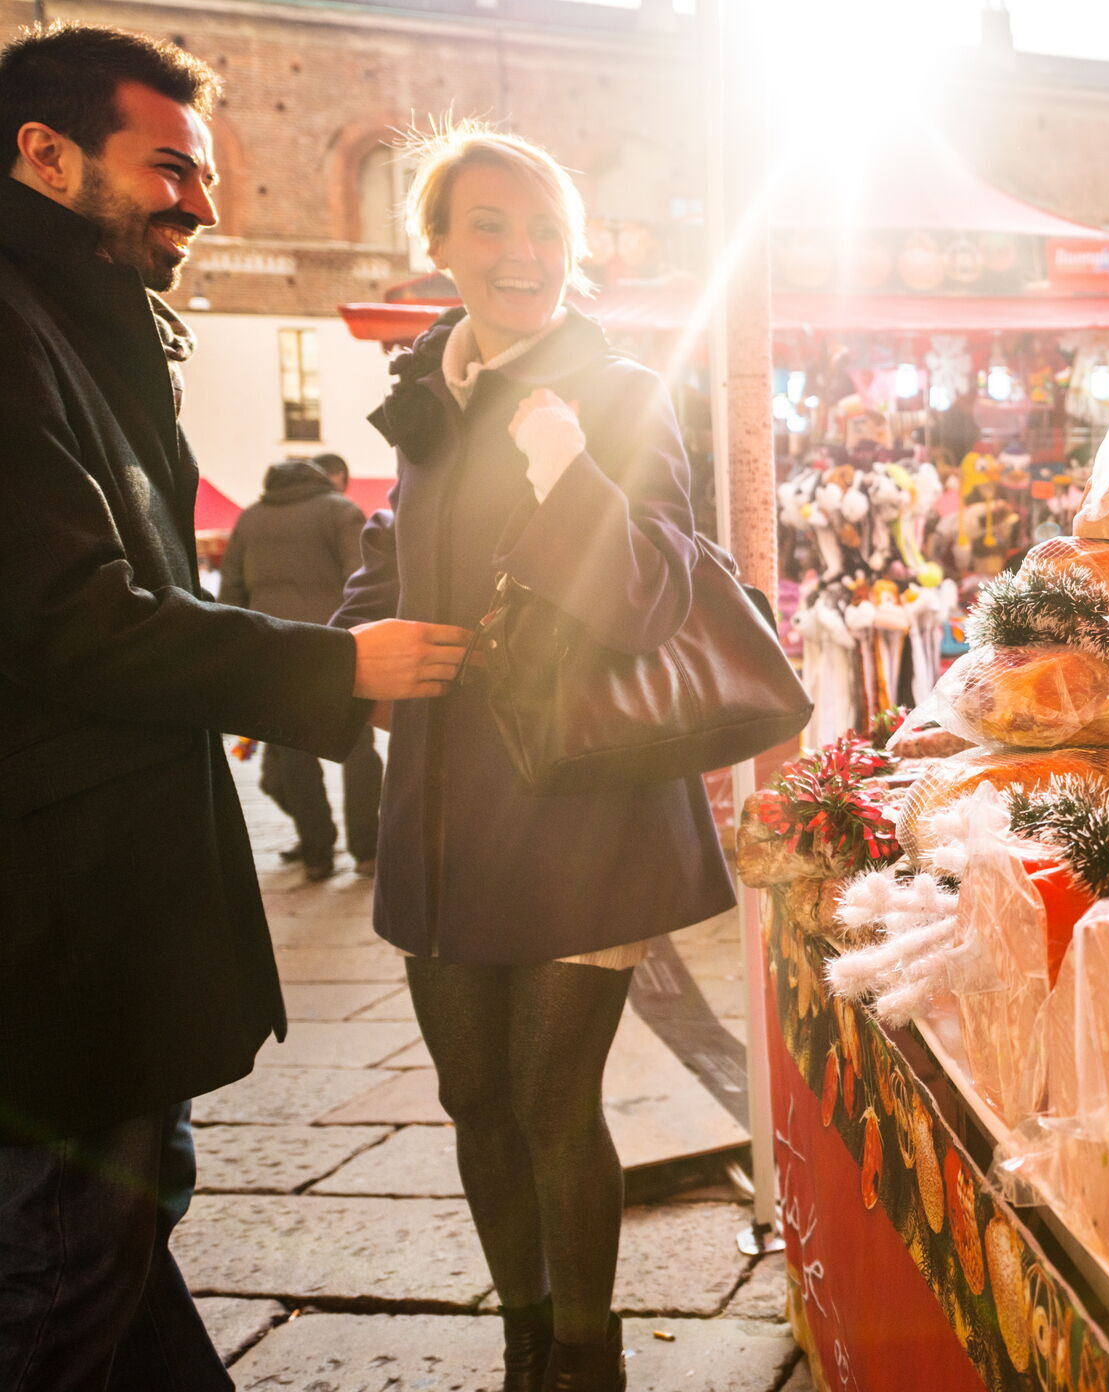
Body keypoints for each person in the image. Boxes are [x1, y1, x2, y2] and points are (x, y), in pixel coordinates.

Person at [0, 23, 469, 1392]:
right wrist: (332, 670)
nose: (201, 203)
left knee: (116, 1247)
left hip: (105, 915)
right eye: (169, 168)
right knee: (61, 1279)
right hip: (57, 928)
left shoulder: (74, 318)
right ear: (44, 154)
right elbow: (62, 615)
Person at [333, 124, 732, 1392]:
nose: (523, 252)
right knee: (475, 1101)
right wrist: (353, 655)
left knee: (552, 1098)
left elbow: (650, 593)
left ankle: (585, 1356)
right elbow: (394, 555)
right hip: (444, 807)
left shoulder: (617, 391)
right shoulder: (428, 393)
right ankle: (523, 1341)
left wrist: (566, 472)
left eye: (547, 228)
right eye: (491, 225)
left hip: (578, 802)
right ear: (440, 244)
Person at [221, 453, 386, 879]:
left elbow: (230, 592)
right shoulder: (340, 510)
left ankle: (317, 855)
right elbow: (362, 581)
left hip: (275, 655)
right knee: (359, 752)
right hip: (336, 650)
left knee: (294, 759)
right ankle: (367, 850)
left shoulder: (250, 518)